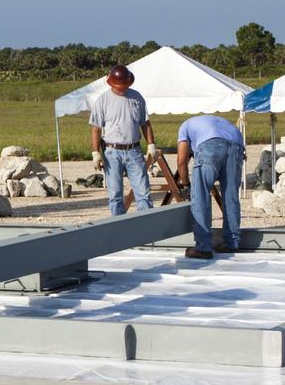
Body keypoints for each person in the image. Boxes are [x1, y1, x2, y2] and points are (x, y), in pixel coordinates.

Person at [89, 64, 158, 215]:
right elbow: (96, 129)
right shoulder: (102, 100)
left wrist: (151, 144)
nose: (122, 89)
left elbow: (145, 123)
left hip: (134, 150)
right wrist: (96, 152)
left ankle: (147, 224)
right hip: (112, 152)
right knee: (115, 195)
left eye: (125, 86)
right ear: (111, 83)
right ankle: (118, 225)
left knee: (143, 193)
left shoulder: (137, 97)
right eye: (119, 87)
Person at [175, 115, 244, 259]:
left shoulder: (184, 127)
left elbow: (181, 162)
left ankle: (203, 247)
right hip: (237, 145)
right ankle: (232, 243)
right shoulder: (210, 122)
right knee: (230, 196)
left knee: (200, 195)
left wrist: (186, 185)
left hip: (210, 145)